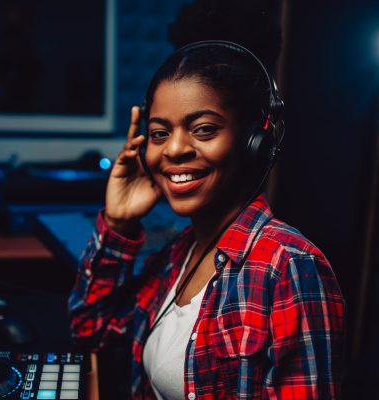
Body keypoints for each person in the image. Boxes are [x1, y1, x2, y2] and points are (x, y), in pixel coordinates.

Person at [69, 41, 345, 399]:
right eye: (159, 133)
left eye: (203, 129)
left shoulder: (290, 268)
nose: (174, 149)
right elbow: (90, 331)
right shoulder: (176, 256)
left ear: (254, 141)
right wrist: (119, 225)